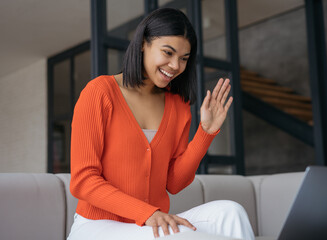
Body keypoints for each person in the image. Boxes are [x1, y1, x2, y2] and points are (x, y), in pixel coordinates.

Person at [68, 8, 255, 240]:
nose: (175, 65)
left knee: (231, 213)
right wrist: (147, 213)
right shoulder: (99, 93)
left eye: (184, 58)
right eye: (168, 52)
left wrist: (206, 132)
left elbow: (174, 183)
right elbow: (83, 181)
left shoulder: (178, 105)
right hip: (97, 226)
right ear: (143, 44)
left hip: (148, 224)